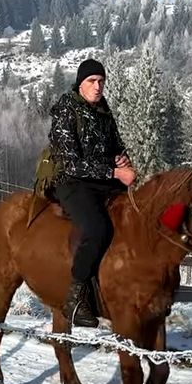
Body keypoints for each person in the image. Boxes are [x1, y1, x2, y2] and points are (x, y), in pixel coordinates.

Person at [47, 58, 136, 327]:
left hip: (102, 180)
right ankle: (75, 297)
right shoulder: (66, 109)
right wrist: (114, 173)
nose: (98, 87)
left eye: (101, 82)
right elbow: (71, 163)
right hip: (72, 181)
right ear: (80, 84)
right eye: (92, 81)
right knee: (97, 229)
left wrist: (122, 159)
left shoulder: (103, 109)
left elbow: (117, 145)